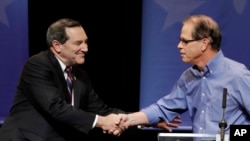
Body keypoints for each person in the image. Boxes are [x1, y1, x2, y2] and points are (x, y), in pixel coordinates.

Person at [0, 18, 181, 141]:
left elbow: (101, 109)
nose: (85, 48)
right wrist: (102, 122)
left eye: (86, 42)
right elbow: (55, 107)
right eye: (78, 43)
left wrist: (147, 119)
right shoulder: (38, 65)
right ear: (57, 46)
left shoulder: (80, 75)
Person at [119, 14, 250, 135]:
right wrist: (128, 119)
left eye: (185, 41)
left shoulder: (237, 75)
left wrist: (234, 135)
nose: (179, 46)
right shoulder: (188, 77)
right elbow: (162, 109)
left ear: (204, 44)